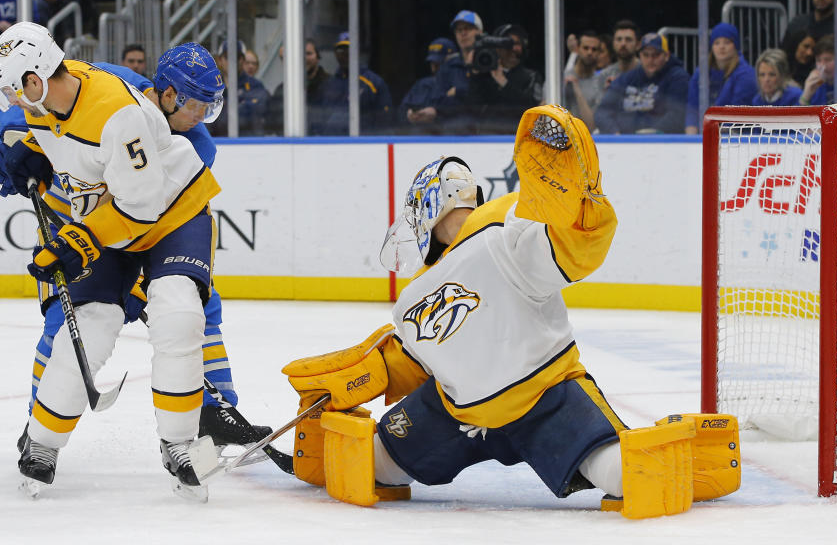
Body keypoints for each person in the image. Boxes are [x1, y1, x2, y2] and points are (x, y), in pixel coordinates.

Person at [280, 104, 740, 518]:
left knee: (632, 475)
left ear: (428, 207)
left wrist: (583, 209)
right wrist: (361, 378)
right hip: (456, 412)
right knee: (371, 467)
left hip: (547, 397)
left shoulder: (504, 225)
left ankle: (687, 450)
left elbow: (573, 248)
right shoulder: (417, 295)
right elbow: (415, 358)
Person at [0, 44, 273, 468]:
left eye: (207, 109)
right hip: (72, 220)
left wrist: (140, 280)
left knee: (192, 307)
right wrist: (17, 143)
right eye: (194, 104)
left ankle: (211, 411)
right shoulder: (107, 84)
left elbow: (152, 209)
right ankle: (39, 421)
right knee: (67, 321)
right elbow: (32, 99)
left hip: (140, 225)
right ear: (168, 92)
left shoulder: (194, 144)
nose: (198, 118)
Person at [594, 32, 689, 134]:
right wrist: (615, 133)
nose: (650, 60)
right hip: (623, 141)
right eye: (646, 55)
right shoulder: (627, 78)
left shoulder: (678, 77)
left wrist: (650, 134)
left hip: (661, 141)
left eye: (656, 55)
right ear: (639, 55)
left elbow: (678, 114)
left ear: (666, 55)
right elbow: (602, 112)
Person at [456, 23, 543, 132]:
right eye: (507, 44)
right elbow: (472, 109)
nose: (512, 48)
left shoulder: (531, 76)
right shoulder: (485, 76)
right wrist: (474, 74)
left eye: (517, 43)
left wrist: (503, 82)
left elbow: (531, 108)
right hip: (488, 137)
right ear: (497, 48)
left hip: (519, 136)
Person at [685, 23, 758, 134]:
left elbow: (737, 113)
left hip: (736, 138)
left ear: (736, 46)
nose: (721, 47)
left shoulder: (746, 75)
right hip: (706, 133)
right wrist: (691, 134)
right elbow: (692, 107)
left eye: (727, 42)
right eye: (716, 43)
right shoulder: (701, 72)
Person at [317, 31, 393, 135]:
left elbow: (385, 121)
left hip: (363, 145)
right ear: (335, 53)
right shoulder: (328, 84)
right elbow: (320, 119)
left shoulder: (373, 83)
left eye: (349, 50)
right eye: (340, 50)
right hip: (332, 146)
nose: (344, 54)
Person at [211, 39, 270, 136]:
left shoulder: (255, 85)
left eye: (237, 57)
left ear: (242, 60)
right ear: (220, 60)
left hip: (248, 143)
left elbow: (255, 117)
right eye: (227, 57)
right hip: (218, 143)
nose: (232, 61)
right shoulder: (210, 87)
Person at [398, 37, 458, 130]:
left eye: (439, 63)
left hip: (450, 138)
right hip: (419, 138)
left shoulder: (461, 83)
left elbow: (466, 115)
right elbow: (400, 112)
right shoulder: (422, 85)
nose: (435, 67)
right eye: (432, 63)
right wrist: (408, 115)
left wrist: (437, 114)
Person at [564, 29, 604, 129]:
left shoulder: (601, 83)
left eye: (594, 49)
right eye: (585, 48)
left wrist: (577, 92)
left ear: (599, 53)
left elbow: (592, 126)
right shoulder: (558, 78)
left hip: (587, 139)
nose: (589, 52)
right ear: (577, 49)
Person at [595, 20, 640, 91]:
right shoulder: (604, 76)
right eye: (619, 39)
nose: (623, 44)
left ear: (638, 45)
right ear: (613, 44)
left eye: (628, 39)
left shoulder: (648, 72)